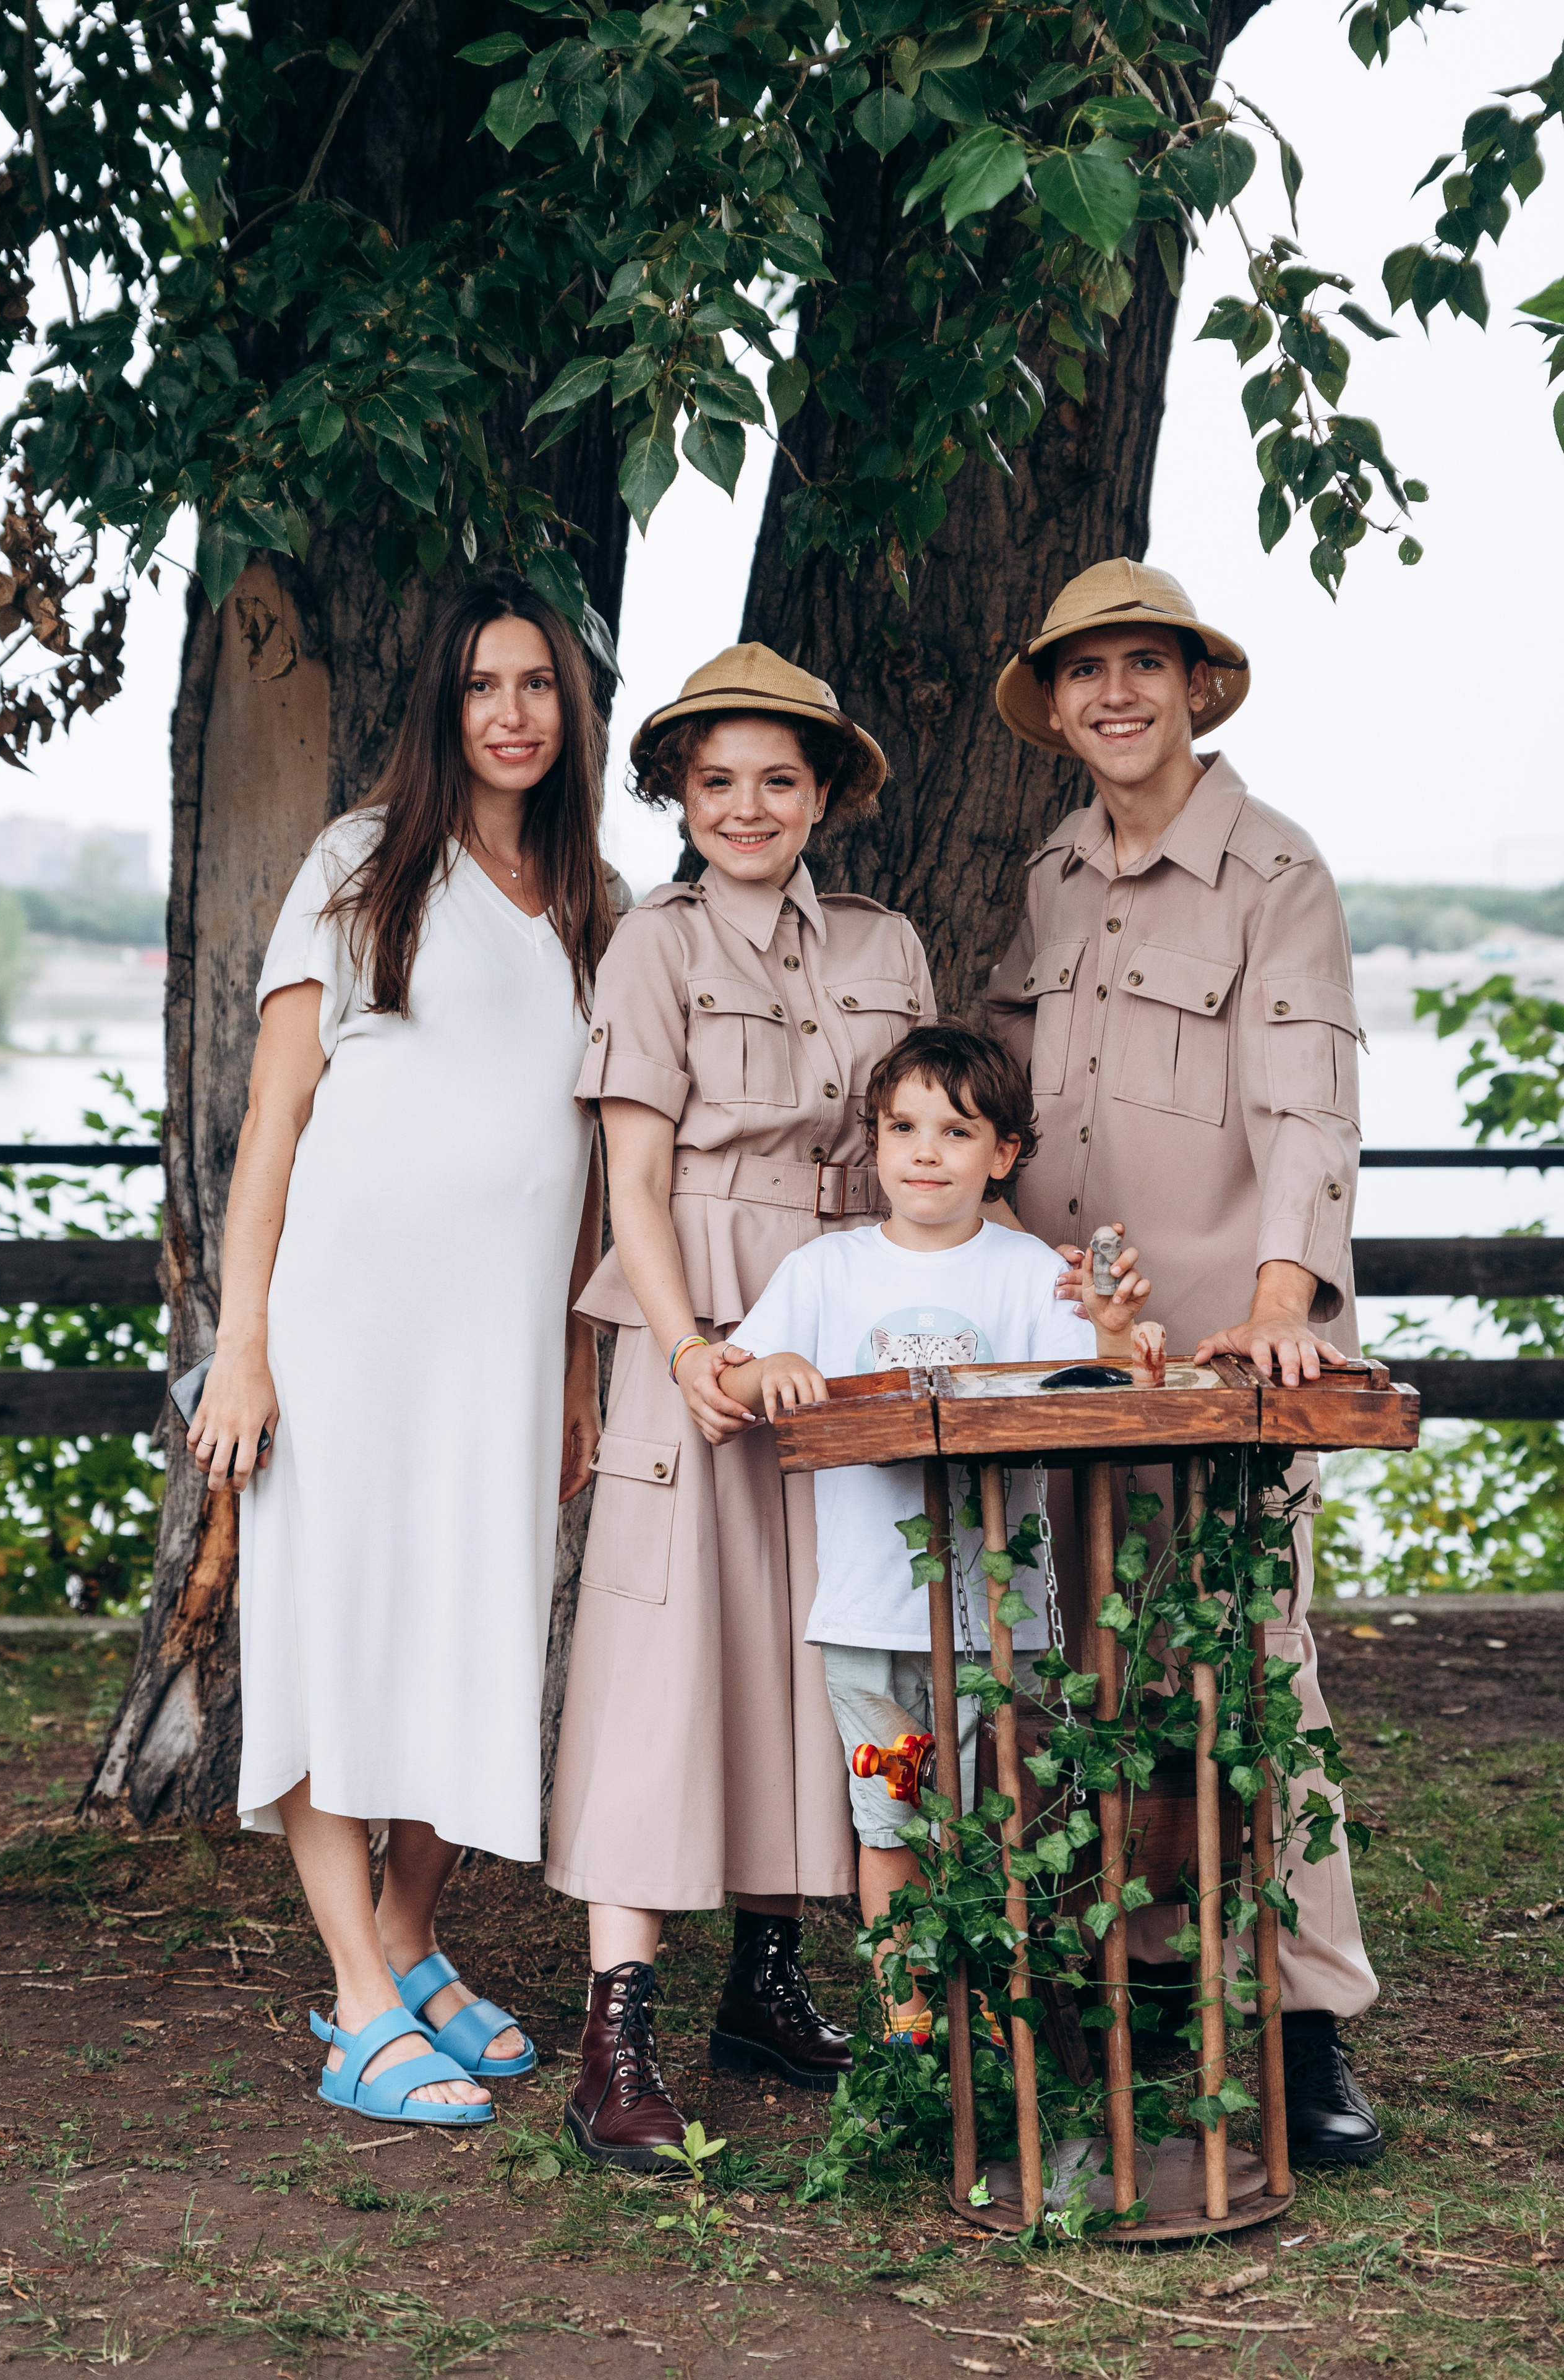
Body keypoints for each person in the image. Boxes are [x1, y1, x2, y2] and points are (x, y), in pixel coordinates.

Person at [189, 576, 612, 2128]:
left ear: (569, 711)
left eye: (538, 687)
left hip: (499, 1354)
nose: (510, 713)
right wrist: (245, 1344)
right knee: (337, 1632)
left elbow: (582, 1185)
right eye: (483, 685)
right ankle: (360, 2003)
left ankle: (412, 1937)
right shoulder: (361, 866)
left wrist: (574, 1369)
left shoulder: (590, 902)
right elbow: (273, 1128)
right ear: (442, 705)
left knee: (475, 1642)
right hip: (344, 1335)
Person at [986, 555, 1383, 2164]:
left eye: (1143, 665)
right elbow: (1013, 1117)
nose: (1116, 696)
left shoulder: (1276, 871)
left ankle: (1302, 2020)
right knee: (1101, 1669)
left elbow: (1311, 1105)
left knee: (1249, 1669)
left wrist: (1286, 1296)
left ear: (1194, 686)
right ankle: (1156, 1980)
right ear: (1061, 703)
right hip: (1080, 1360)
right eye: (1086, 673)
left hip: (1231, 1354)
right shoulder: (1053, 877)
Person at [545, 643, 939, 2170]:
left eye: (779, 777)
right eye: (715, 781)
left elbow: (922, 1135)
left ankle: (768, 1983)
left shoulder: (887, 944)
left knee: (824, 1638)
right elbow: (629, 1177)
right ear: (677, 794)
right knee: (658, 1652)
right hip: (695, 1318)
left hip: (848, 1317)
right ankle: (617, 2022)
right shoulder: (651, 946)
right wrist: (686, 1342)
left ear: (825, 792)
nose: (747, 806)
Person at [718, 1022, 1164, 2039]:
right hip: (871, 1623)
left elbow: (1091, 1386)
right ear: (874, 1141)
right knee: (892, 1825)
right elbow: (739, 1372)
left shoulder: (1022, 1274)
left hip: (995, 1621)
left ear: (1002, 1156)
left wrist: (1108, 1323)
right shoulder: (827, 1272)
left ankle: (1000, 2013)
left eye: (957, 1132)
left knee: (1000, 1824)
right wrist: (767, 1372)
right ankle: (908, 2023)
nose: (925, 1151)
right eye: (903, 1127)